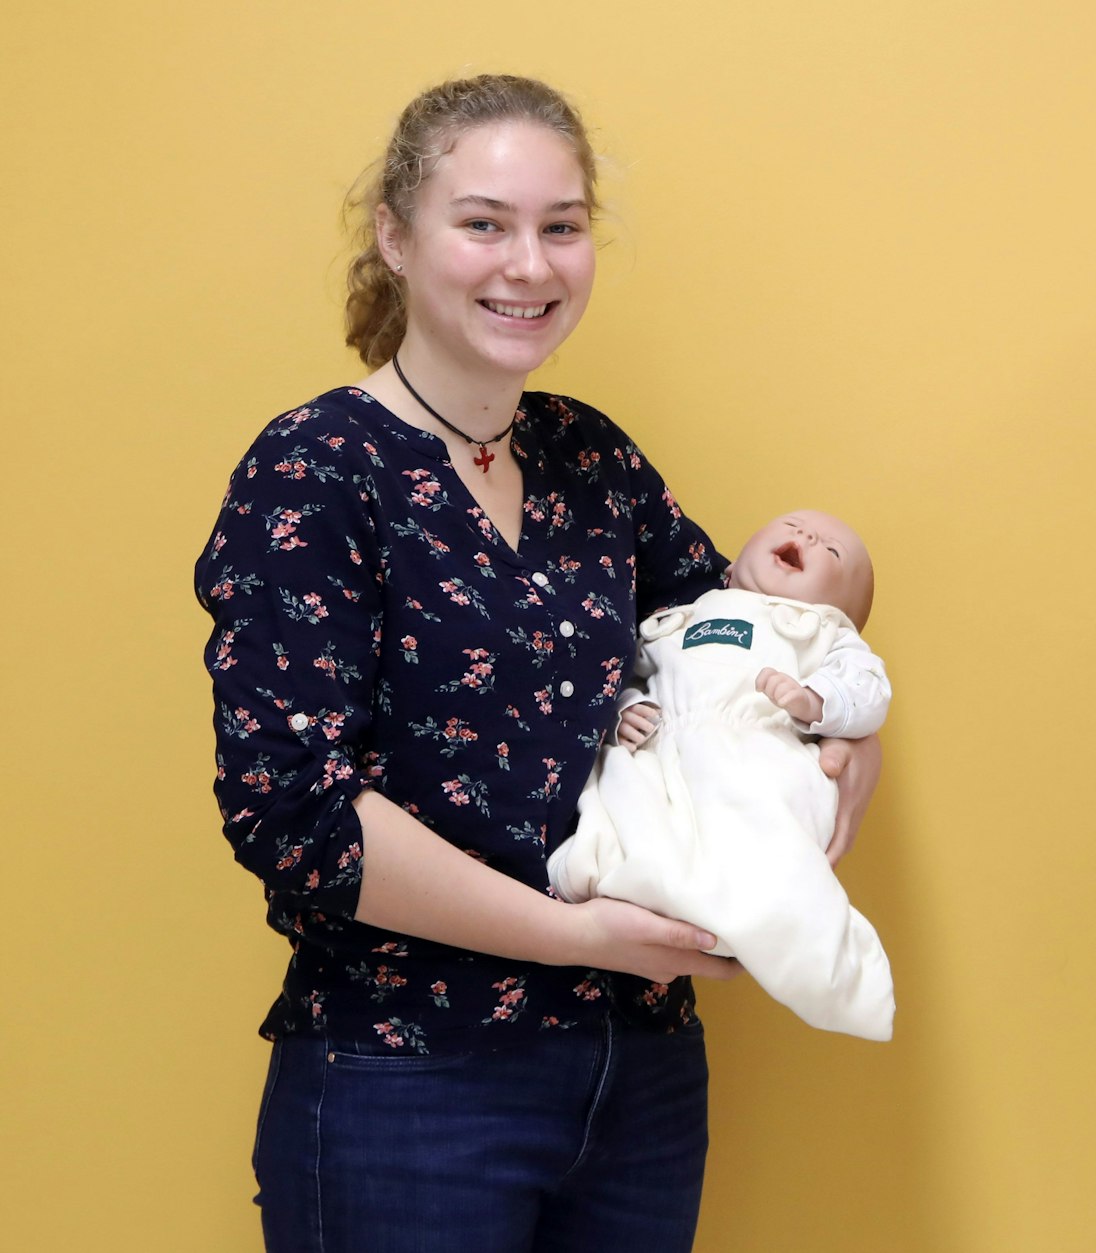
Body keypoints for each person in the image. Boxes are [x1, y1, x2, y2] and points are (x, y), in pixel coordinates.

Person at [194, 75, 880, 1252]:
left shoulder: (589, 458)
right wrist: (575, 936)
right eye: (484, 223)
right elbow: (294, 812)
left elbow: (737, 641)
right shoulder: (315, 470)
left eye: (561, 226)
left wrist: (845, 739)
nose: (529, 264)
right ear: (395, 236)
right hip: (405, 1076)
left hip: (641, 1077)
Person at [551, 509, 896, 1042]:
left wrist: (816, 701)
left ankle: (816, 952)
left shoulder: (826, 634)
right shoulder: (680, 617)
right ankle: (598, 873)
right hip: (665, 742)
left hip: (760, 745)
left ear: (841, 611)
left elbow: (867, 690)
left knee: (763, 832)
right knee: (623, 796)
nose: (807, 535)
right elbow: (632, 672)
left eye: (831, 551)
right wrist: (625, 709)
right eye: (793, 524)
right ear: (729, 570)